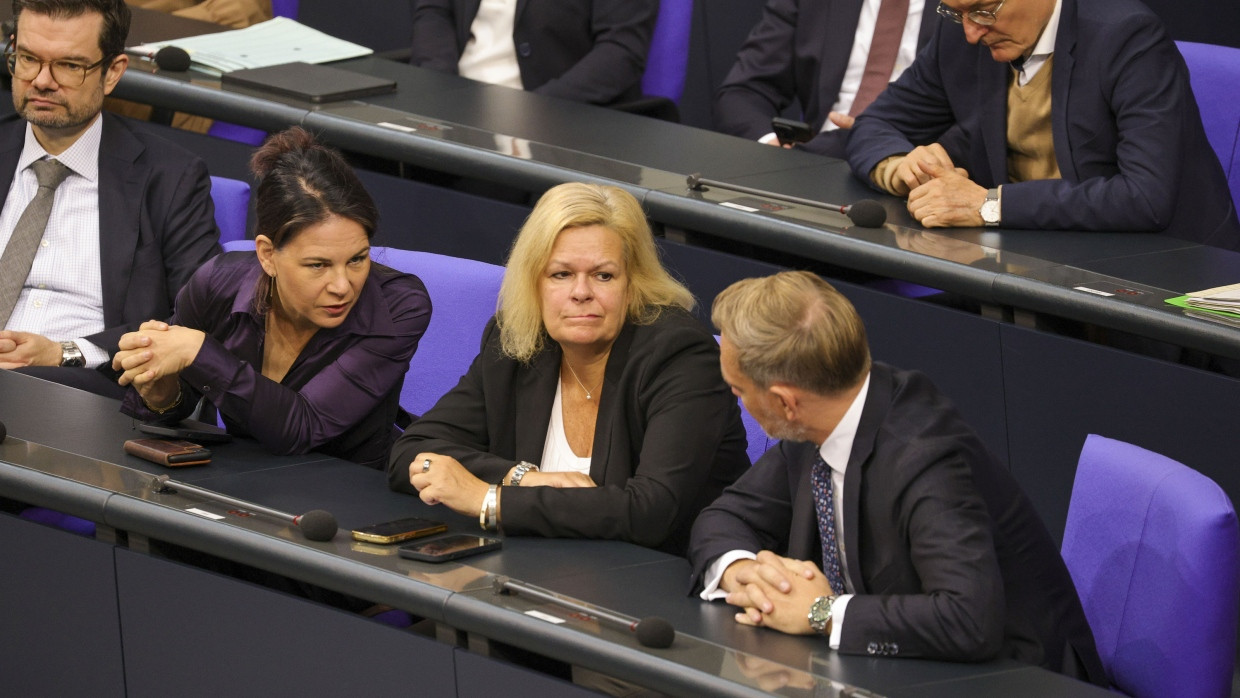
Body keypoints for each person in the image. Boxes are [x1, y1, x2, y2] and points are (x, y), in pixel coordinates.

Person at [690, 271, 1106, 684]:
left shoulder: (926, 459)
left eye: (739, 389)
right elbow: (724, 518)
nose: (734, 397)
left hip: (1016, 677)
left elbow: (969, 618)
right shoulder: (821, 414)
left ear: (785, 402)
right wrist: (747, 574)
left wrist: (821, 612)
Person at [388, 182, 750, 555]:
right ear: (535, 282)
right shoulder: (518, 342)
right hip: (534, 567)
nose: (581, 292)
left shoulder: (680, 356)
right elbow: (412, 452)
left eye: (603, 275)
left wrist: (488, 499)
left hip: (654, 581)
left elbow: (651, 511)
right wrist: (520, 478)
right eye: (561, 274)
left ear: (633, 283)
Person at [113, 127, 431, 469]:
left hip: (347, 491)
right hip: (237, 477)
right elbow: (171, 407)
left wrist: (199, 352)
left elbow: (303, 427)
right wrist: (162, 391)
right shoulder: (217, 283)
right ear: (267, 254)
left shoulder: (398, 306)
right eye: (318, 265)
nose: (342, 285)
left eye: (357, 259)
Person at [845, 0, 1240, 250]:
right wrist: (899, 166)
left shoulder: (1126, 37)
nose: (970, 31)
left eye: (983, 10)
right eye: (957, 13)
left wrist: (987, 205)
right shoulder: (965, 31)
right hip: (1034, 260)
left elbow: (1145, 198)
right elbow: (877, 122)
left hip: (1164, 272)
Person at [0, 0, 220, 396]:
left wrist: (63, 352)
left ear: (112, 72)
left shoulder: (170, 179)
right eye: (29, 58)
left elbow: (196, 320)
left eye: (69, 65)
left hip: (82, 391)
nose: (42, 81)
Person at [714, 0, 939, 158]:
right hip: (810, 163)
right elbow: (745, 91)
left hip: (907, 169)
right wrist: (772, 150)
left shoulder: (961, 8)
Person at [408, 0, 658, 107]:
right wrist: (438, 89)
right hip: (458, 101)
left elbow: (620, 52)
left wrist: (533, 109)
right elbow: (435, 11)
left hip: (554, 112)